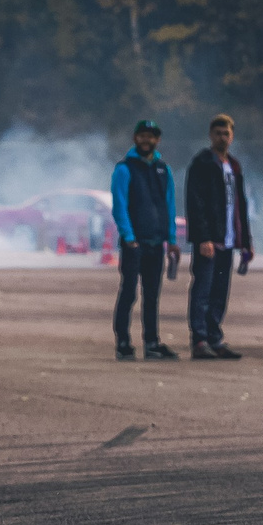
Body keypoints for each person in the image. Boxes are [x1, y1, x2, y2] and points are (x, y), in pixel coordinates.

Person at [184, 112, 253, 360]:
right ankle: (199, 339)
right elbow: (195, 202)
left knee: (220, 292)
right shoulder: (202, 162)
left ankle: (215, 337)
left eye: (227, 133)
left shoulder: (234, 166)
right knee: (203, 289)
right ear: (211, 135)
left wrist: (246, 242)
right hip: (210, 240)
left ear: (232, 137)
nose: (222, 137)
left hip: (229, 239)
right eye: (218, 133)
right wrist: (202, 238)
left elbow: (240, 205)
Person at [109, 119, 178, 360]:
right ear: (135, 138)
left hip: (156, 242)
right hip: (134, 243)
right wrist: (129, 237)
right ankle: (123, 342)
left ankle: (151, 342)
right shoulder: (124, 169)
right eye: (142, 135)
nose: (146, 140)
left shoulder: (163, 169)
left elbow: (169, 205)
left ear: (157, 139)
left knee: (152, 295)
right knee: (129, 293)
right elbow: (120, 206)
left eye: (151, 136)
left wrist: (172, 239)